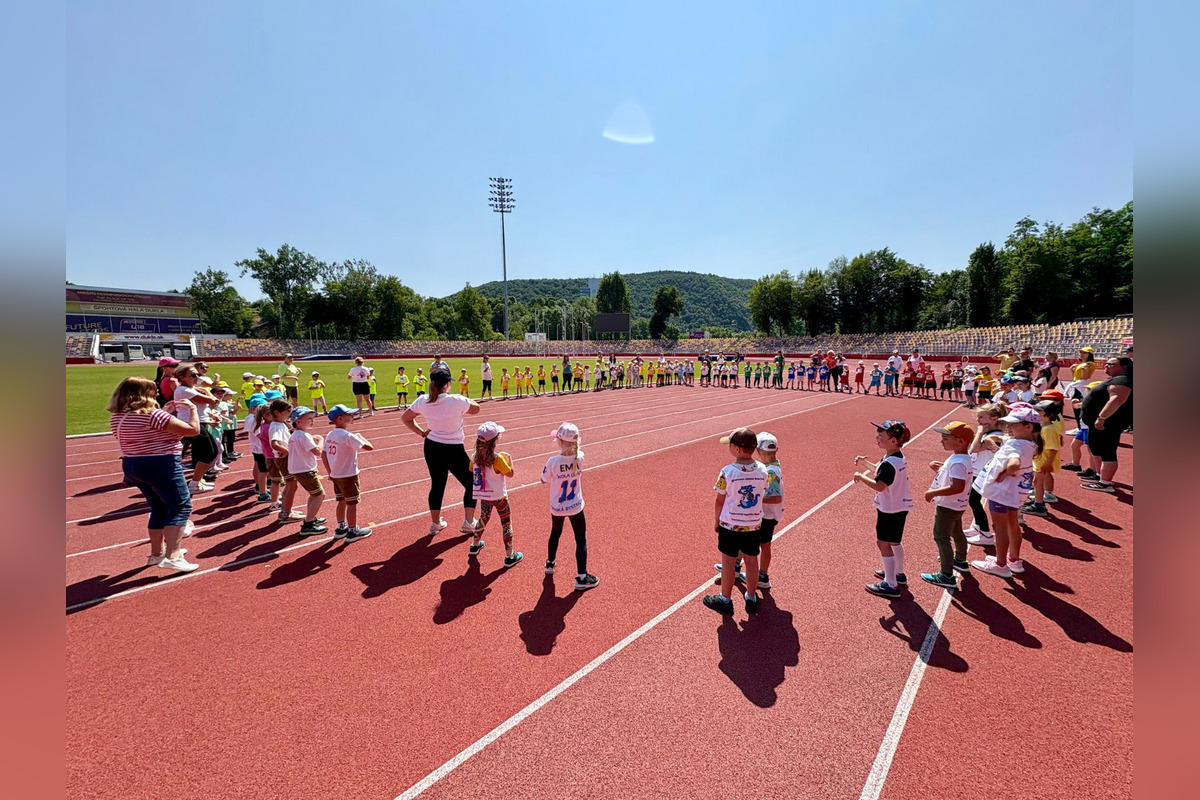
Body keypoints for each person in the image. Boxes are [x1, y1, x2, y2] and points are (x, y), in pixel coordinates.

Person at [108, 376, 200, 572]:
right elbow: (192, 430)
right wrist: (192, 409)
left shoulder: (118, 417)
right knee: (180, 506)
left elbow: (141, 435)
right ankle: (173, 556)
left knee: (158, 507)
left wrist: (164, 415)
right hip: (161, 463)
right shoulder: (153, 415)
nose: (157, 392)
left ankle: (157, 553)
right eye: (153, 390)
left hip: (133, 464)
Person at [402, 369, 482, 536]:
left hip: (432, 446)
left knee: (437, 484)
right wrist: (463, 399)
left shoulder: (423, 400)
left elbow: (406, 418)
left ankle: (435, 523)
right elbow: (476, 409)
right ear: (447, 384)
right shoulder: (456, 400)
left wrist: (421, 432)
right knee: (472, 482)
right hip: (453, 448)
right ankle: (468, 521)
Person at [704, 427, 769, 613]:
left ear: (738, 449)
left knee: (728, 561)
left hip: (730, 524)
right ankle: (751, 596)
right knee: (751, 560)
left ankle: (725, 599)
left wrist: (717, 521)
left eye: (730, 445)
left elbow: (719, 499)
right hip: (752, 524)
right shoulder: (763, 470)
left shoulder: (727, 472)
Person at [972, 406, 1041, 578]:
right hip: (1015, 492)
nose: (1009, 426)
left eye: (1014, 423)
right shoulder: (1030, 443)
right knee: (1013, 525)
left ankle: (1000, 563)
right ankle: (1014, 560)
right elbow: (1011, 443)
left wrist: (1002, 474)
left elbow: (1014, 464)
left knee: (999, 527)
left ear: (1028, 427)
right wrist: (999, 438)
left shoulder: (1016, 446)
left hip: (1002, 492)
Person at [854, 420, 913, 598]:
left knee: (883, 543)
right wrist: (867, 465)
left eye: (881, 435)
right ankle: (898, 573)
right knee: (895, 541)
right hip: (899, 506)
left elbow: (880, 485)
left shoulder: (889, 463)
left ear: (893, 440)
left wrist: (860, 476)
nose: (877, 437)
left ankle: (891, 584)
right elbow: (882, 473)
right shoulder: (895, 458)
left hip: (890, 508)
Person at [541, 422, 597, 590]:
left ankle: (550, 564)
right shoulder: (580, 457)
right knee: (580, 539)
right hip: (575, 505)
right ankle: (582, 577)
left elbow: (543, 480)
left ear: (559, 441)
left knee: (555, 533)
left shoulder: (553, 461)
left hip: (557, 505)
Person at [919, 422, 975, 588]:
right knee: (957, 532)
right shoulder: (961, 458)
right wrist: (942, 469)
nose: (941, 442)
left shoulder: (958, 461)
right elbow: (955, 478)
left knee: (941, 537)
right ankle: (960, 559)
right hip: (957, 505)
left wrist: (933, 493)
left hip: (947, 506)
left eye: (945, 438)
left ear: (961, 441)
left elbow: (957, 486)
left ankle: (946, 574)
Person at [469, 421, 523, 567]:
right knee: (506, 523)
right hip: (500, 497)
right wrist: (509, 460)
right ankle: (509, 555)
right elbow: (510, 474)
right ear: (494, 440)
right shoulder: (497, 459)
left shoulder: (474, 456)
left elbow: (470, 469)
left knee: (483, 518)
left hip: (485, 496)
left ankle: (475, 544)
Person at [1079, 356, 1133, 493]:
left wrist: (1102, 417)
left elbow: (1117, 399)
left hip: (1109, 423)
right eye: (1106, 363)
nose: (1106, 366)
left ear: (1124, 367)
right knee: (1098, 449)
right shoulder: (1117, 379)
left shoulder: (1123, 380)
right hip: (1100, 424)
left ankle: (1105, 483)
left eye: (1111, 364)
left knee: (1108, 452)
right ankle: (1099, 476)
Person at [322, 404, 374, 542]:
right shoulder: (348, 436)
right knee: (352, 502)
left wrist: (330, 472)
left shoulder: (330, 434)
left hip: (336, 474)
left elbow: (323, 454)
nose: (352, 416)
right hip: (349, 474)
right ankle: (352, 530)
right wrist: (361, 437)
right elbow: (369, 447)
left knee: (341, 500)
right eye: (349, 415)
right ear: (340, 418)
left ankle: (341, 527)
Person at [172, 363, 220, 493]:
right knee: (210, 452)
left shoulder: (190, 389)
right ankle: (194, 484)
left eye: (197, 375)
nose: (197, 377)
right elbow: (213, 401)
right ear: (181, 377)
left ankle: (198, 480)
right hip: (192, 424)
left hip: (198, 422)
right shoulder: (184, 390)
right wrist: (206, 392)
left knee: (201, 453)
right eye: (193, 375)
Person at [965, 403, 1007, 545]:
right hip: (978, 470)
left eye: (981, 417)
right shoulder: (990, 434)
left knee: (974, 500)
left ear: (994, 418)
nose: (978, 420)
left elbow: (976, 448)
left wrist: (979, 432)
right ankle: (978, 527)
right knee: (973, 500)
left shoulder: (995, 436)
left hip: (984, 473)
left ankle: (985, 534)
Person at [282, 407, 327, 535]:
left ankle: (311, 517)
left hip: (299, 469)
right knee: (319, 495)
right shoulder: (303, 435)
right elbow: (317, 452)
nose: (312, 421)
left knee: (314, 494)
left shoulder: (296, 435)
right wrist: (320, 441)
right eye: (309, 419)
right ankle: (308, 524)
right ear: (299, 421)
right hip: (305, 470)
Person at [1022, 397, 1064, 517]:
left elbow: (1053, 449)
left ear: (1049, 414)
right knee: (1040, 480)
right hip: (1041, 459)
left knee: (1037, 481)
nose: (1036, 413)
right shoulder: (1044, 427)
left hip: (1044, 460)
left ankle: (1039, 505)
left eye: (1039, 412)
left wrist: (1048, 463)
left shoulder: (1048, 429)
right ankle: (1040, 499)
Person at [262, 398, 296, 514]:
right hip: (283, 459)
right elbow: (274, 443)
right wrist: (287, 451)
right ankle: (286, 512)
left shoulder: (280, 424)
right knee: (291, 485)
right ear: (277, 413)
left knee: (290, 485)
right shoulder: (276, 426)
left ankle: (286, 510)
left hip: (284, 458)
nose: (289, 415)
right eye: (287, 412)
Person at [245, 396, 270, 502]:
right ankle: (262, 492)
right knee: (263, 471)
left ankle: (260, 487)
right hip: (260, 448)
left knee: (260, 468)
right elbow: (259, 434)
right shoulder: (255, 420)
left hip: (257, 448)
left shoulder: (251, 418)